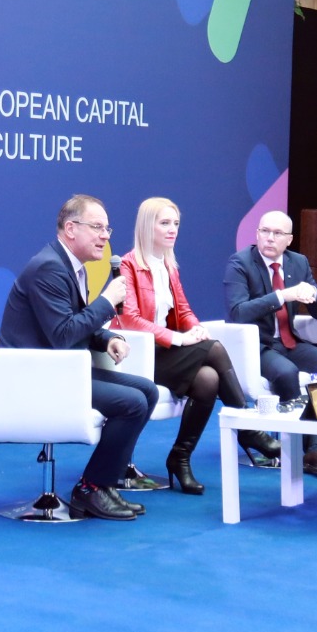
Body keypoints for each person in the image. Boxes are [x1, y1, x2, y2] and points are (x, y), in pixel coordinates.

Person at [0, 195, 159, 521]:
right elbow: (63, 334)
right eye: (97, 227)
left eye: (107, 228)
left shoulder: (68, 265)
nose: (105, 236)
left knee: (147, 391)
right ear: (71, 229)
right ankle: (91, 488)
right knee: (132, 403)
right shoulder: (48, 268)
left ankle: (104, 483)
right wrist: (107, 301)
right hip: (34, 375)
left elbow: (71, 322)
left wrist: (107, 338)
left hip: (60, 369)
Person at [112, 197, 281, 495]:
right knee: (213, 349)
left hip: (164, 352)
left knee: (208, 379)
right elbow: (130, 320)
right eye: (165, 223)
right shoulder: (128, 265)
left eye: (176, 223)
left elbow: (183, 309)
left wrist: (195, 327)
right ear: (147, 226)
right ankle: (247, 427)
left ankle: (180, 457)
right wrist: (179, 338)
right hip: (138, 354)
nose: (173, 229)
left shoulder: (169, 265)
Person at [223, 210, 317, 477]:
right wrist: (282, 296)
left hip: (289, 341)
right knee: (286, 372)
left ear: (289, 239)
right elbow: (237, 312)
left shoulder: (298, 262)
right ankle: (296, 446)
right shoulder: (240, 262)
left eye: (277, 233)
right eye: (264, 231)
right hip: (257, 346)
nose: (269, 238)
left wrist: (314, 295)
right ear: (257, 234)